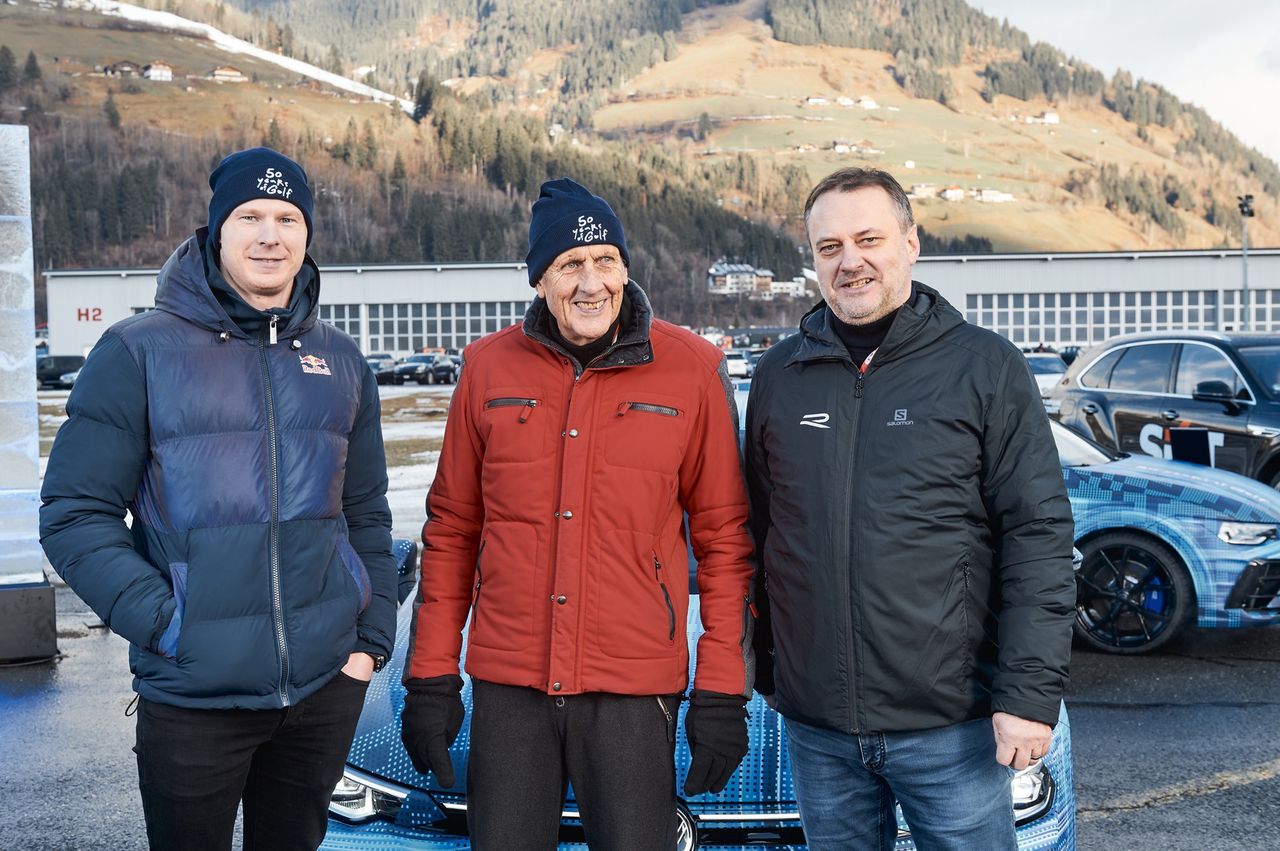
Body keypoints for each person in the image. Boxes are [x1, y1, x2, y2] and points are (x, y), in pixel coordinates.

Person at [39, 147, 397, 851]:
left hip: (324, 687)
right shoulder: (137, 352)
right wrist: (170, 624)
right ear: (216, 232)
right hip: (194, 696)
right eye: (251, 216)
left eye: (288, 217)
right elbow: (74, 516)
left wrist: (370, 641)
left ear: (306, 234)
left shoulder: (341, 361)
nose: (271, 234)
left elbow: (367, 514)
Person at [399, 177, 756, 849]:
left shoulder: (691, 370)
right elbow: (451, 533)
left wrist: (722, 690)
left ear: (625, 267)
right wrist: (432, 676)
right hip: (511, 689)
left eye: (605, 261)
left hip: (632, 691)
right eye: (570, 264)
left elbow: (725, 542)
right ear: (539, 280)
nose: (591, 282)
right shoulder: (486, 369)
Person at [745, 167, 1074, 851]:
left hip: (950, 728)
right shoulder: (779, 376)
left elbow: (1037, 537)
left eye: (868, 238)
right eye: (829, 246)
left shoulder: (984, 367)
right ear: (813, 261)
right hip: (819, 730)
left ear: (911, 243)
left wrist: (1028, 697)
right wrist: (770, 670)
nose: (850, 260)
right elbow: (763, 531)